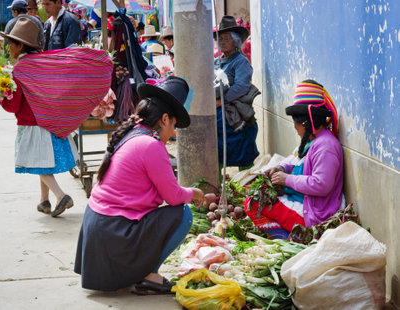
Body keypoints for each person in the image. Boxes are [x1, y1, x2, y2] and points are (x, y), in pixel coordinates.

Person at [74, 76, 205, 294]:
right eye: (173, 125)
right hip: (112, 231)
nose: (173, 134)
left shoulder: (133, 133)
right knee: (183, 214)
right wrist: (195, 193)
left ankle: (140, 271)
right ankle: (149, 275)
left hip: (99, 227)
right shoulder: (150, 145)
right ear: (164, 119)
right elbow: (173, 197)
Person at [245, 80, 344, 238]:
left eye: (296, 123)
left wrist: (287, 179)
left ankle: (294, 238)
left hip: (314, 213)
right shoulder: (312, 141)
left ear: (306, 123)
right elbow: (294, 158)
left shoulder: (326, 147)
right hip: (303, 200)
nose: (295, 127)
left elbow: (322, 184)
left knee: (253, 204)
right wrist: (281, 168)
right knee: (257, 197)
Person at [0, 17, 76, 217]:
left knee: (36, 162)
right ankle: (44, 201)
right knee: (42, 162)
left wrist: (0, 97)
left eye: (10, 43)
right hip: (49, 121)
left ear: (20, 45)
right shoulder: (42, 63)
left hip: (31, 124)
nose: (8, 48)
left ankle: (61, 196)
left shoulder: (19, 70)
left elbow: (13, 105)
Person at [214, 15, 259, 171]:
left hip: (235, 113)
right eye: (220, 39)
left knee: (243, 154)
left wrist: (221, 101)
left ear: (235, 41)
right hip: (217, 113)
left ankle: (247, 186)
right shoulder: (217, 61)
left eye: (226, 38)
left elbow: (241, 86)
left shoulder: (240, 61)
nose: (222, 42)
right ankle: (217, 189)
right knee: (215, 152)